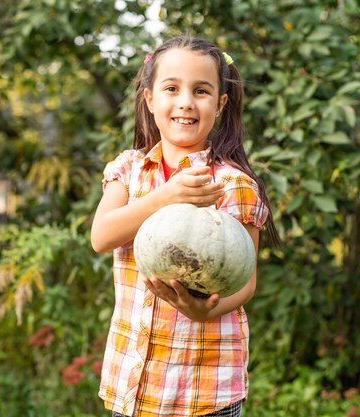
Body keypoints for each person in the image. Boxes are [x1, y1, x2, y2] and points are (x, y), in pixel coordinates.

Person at [90, 35, 278, 417]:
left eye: (201, 91)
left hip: (204, 390)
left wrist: (205, 311)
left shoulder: (231, 184)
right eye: (172, 88)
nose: (185, 102)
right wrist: (166, 197)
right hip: (133, 383)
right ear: (150, 98)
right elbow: (101, 236)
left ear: (220, 104)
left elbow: (246, 280)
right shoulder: (129, 169)